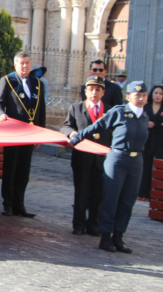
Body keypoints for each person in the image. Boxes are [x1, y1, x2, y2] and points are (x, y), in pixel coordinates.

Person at [68, 81, 150, 253]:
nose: (141, 98)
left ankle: (118, 237)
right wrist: (76, 138)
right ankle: (105, 237)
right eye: (137, 95)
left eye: (143, 95)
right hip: (118, 159)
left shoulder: (144, 116)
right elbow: (97, 126)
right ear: (128, 96)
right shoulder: (118, 112)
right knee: (111, 199)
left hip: (136, 162)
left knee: (127, 201)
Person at [0, 51, 45, 218]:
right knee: (11, 168)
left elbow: (41, 111)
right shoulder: (7, 80)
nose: (25, 66)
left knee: (24, 170)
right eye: (22, 63)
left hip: (30, 134)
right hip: (13, 133)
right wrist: (1, 114)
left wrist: (41, 133)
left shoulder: (37, 83)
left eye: (27, 63)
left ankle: (19, 204)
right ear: (15, 65)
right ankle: (7, 204)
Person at [61, 75, 113, 236]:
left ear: (103, 92)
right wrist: (72, 133)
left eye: (98, 89)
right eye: (91, 89)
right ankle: (79, 224)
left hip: (102, 160)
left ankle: (94, 225)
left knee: (98, 194)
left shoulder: (110, 110)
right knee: (81, 192)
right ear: (85, 91)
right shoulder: (76, 108)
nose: (94, 93)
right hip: (82, 158)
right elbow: (66, 127)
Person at [138, 85, 163, 200]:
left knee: (161, 165)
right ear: (152, 94)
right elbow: (138, 121)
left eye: (161, 94)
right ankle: (143, 193)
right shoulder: (145, 107)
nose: (158, 95)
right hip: (148, 139)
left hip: (162, 140)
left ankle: (160, 194)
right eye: (156, 93)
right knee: (145, 165)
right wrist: (145, 124)